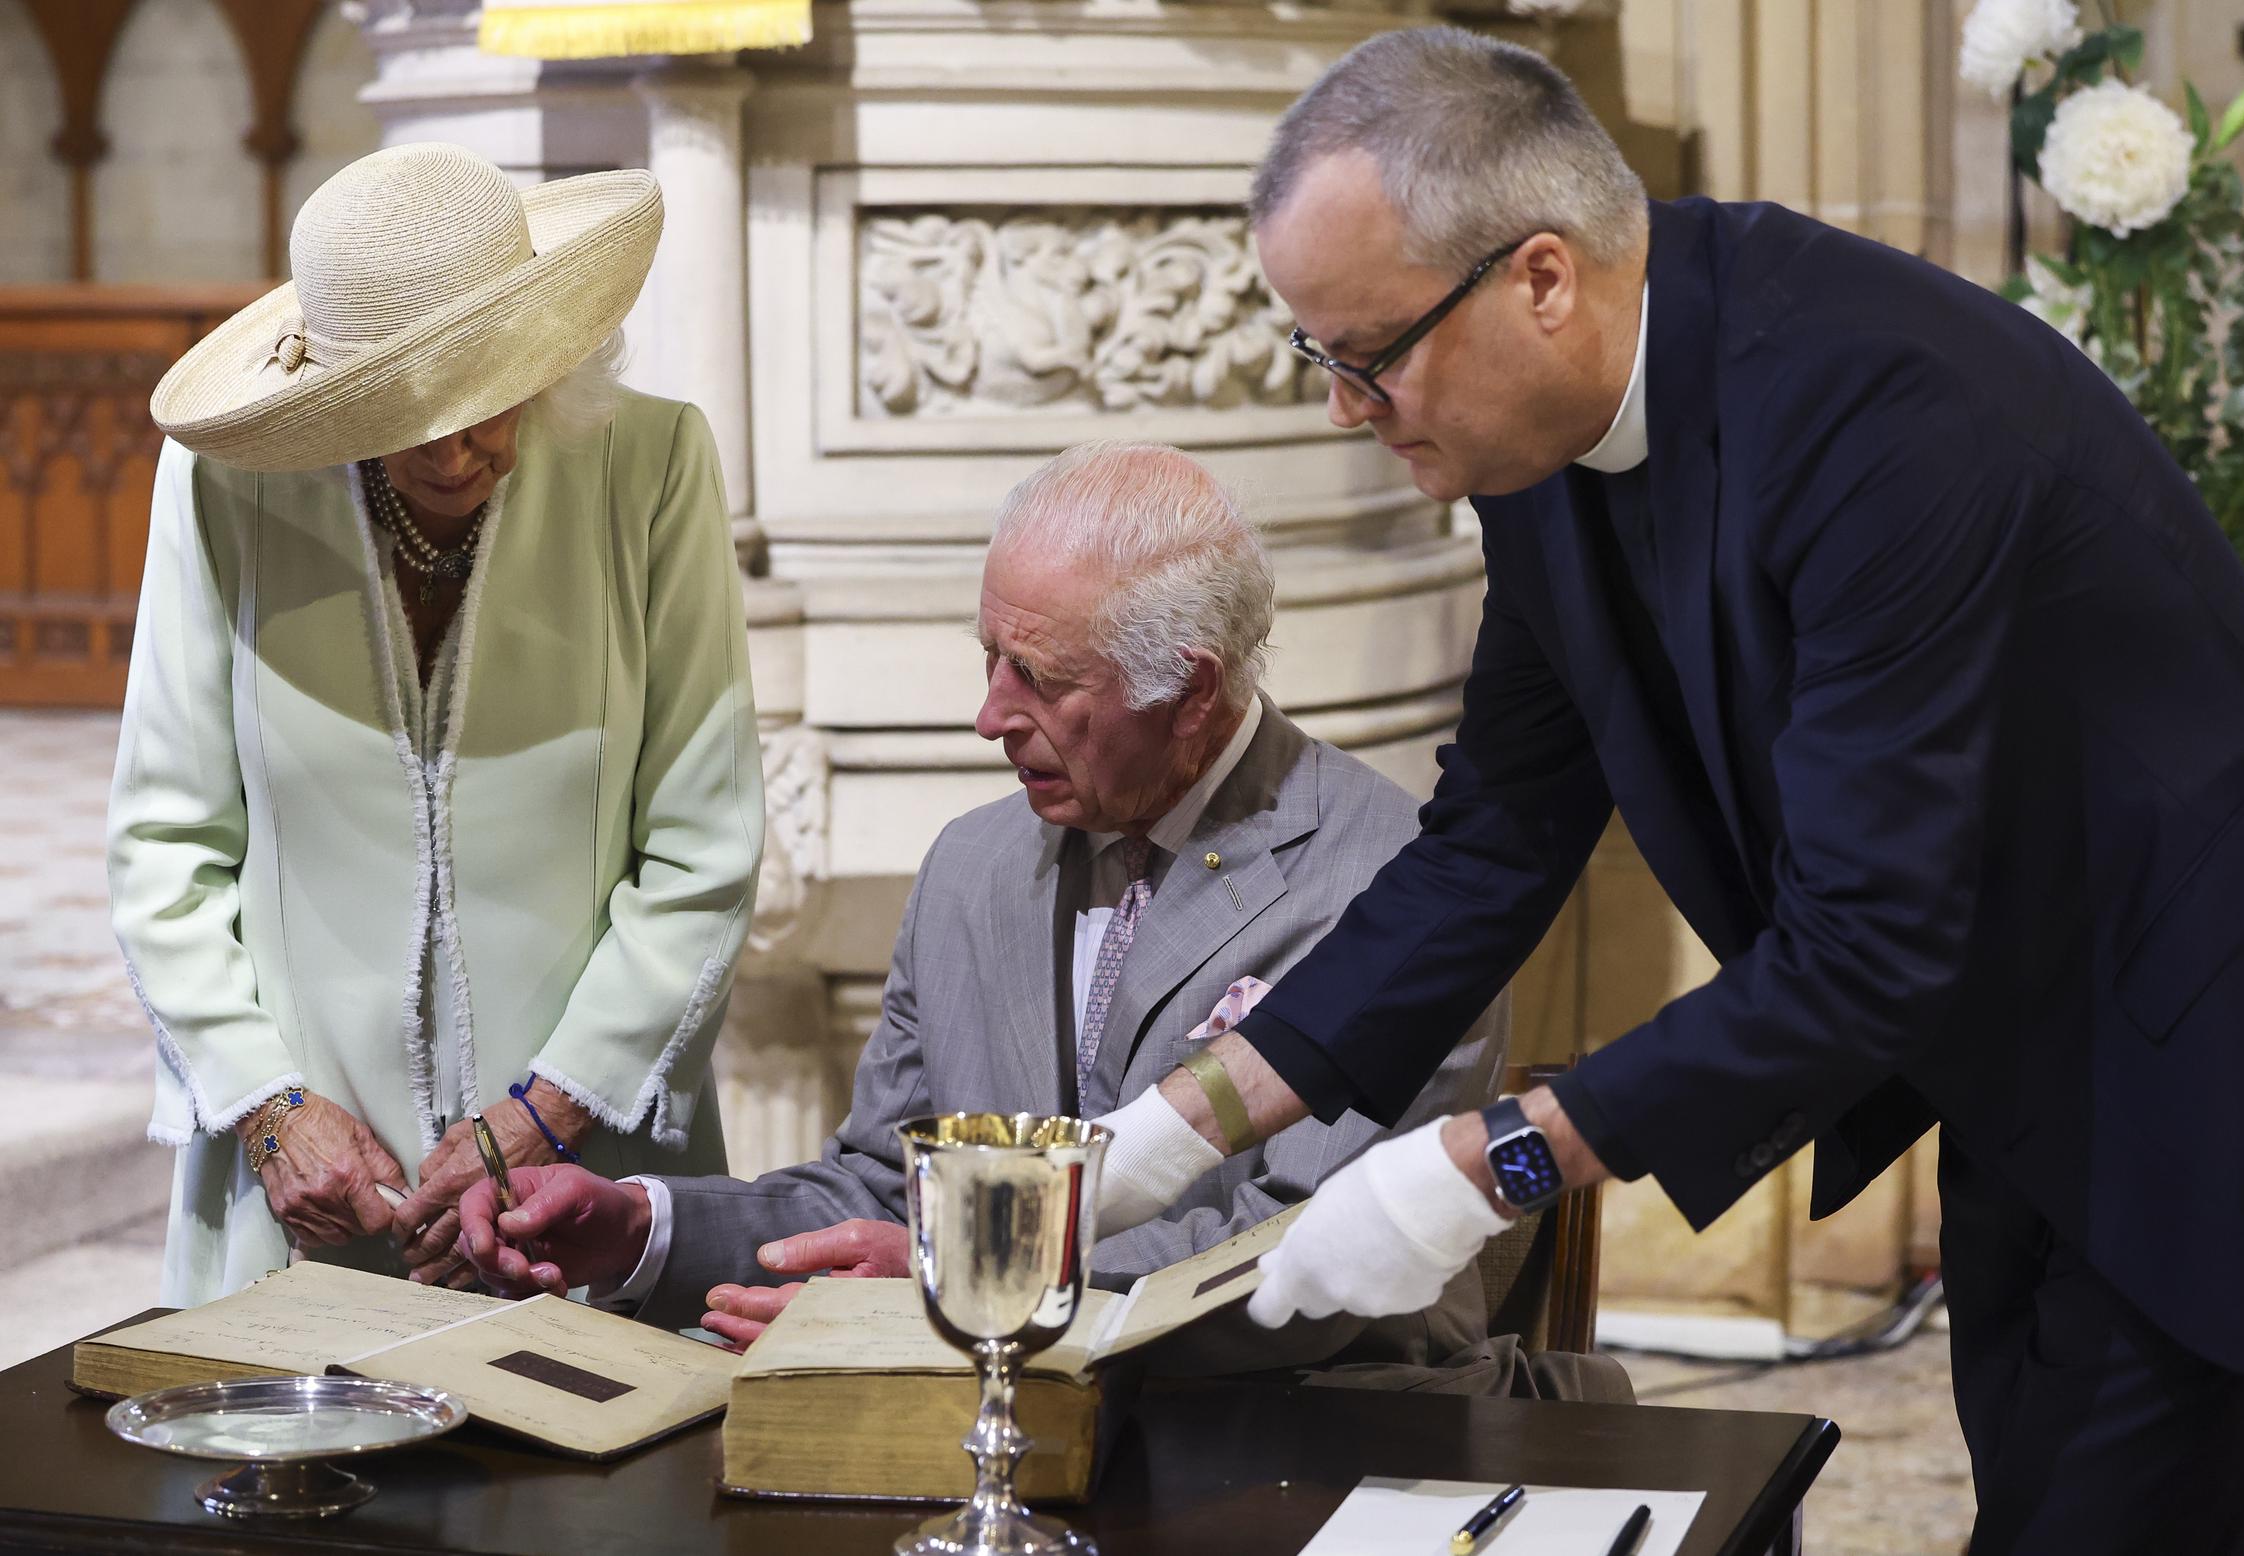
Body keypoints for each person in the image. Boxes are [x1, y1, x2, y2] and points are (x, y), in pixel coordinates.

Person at [1085, 29, 2244, 1553]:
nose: (1341, 408)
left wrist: (1486, 1168)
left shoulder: (1882, 410)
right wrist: (1173, 1134)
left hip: (2200, 1018)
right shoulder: (1540, 440)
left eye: (1366, 356)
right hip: (2009, 1005)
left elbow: (1862, 941)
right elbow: (1497, 837)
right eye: (1320, 358)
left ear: (1542, 279)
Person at [456, 443, 1619, 1398]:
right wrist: (640, 1227)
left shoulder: (1394, 881)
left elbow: (1301, 1251)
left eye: (1041, 676)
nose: (987, 716)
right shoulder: (970, 866)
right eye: (989, 658)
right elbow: (880, 1190)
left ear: (1192, 690)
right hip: (990, 1430)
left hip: (1296, 1437)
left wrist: (953, 1273)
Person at [111, 142, 765, 1304]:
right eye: (402, 413)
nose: (454, 449)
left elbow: (702, 847)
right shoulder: (224, 487)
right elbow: (166, 843)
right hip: (308, 1202)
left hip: (577, 1193)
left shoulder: (651, 463)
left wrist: (551, 1111)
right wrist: (269, 1109)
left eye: (482, 397)